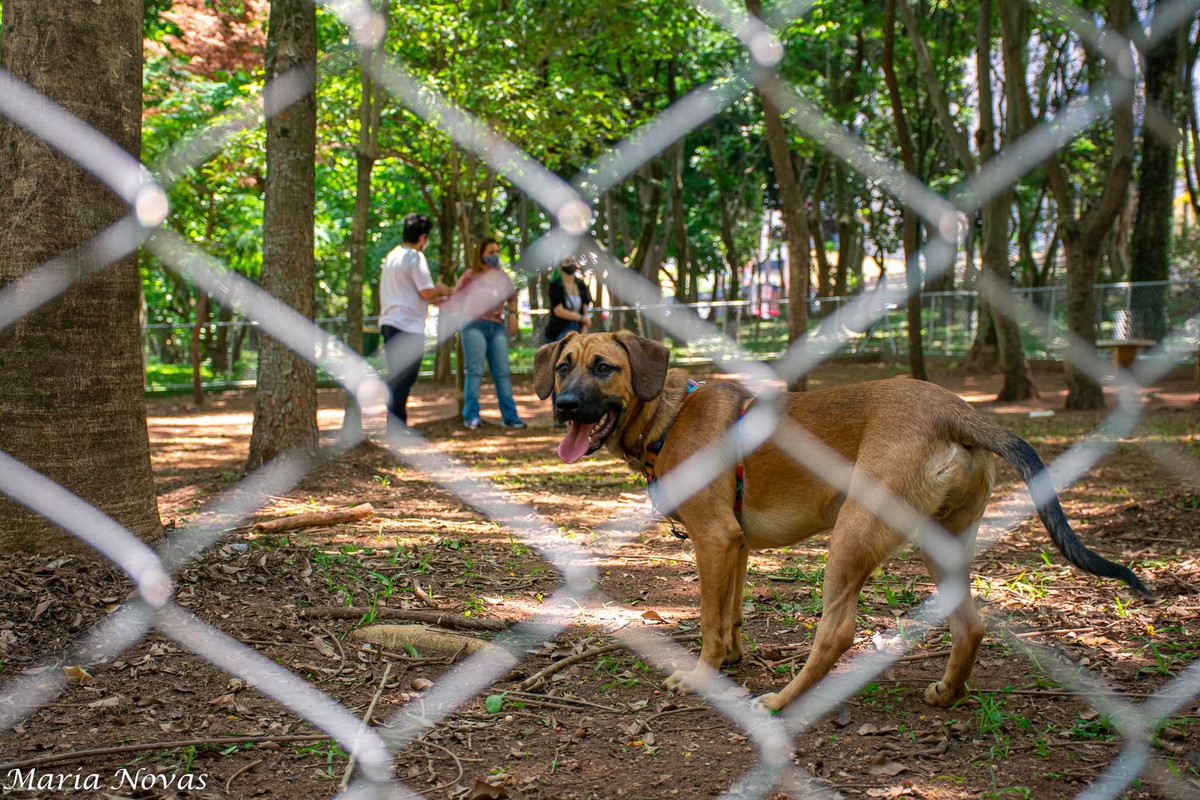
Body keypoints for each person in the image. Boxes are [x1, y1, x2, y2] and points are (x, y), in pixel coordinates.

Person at [379, 213, 450, 430]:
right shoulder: (415, 257)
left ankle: (395, 424)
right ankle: (397, 426)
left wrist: (437, 299)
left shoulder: (392, 256)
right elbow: (426, 291)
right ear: (422, 237)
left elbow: (413, 293)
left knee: (398, 375)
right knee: (404, 377)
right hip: (407, 326)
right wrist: (441, 289)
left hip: (390, 322)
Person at [450, 237, 526, 430]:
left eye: (497, 252)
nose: (495, 255)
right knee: (475, 371)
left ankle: (510, 418)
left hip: (496, 326)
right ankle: (471, 416)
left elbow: (512, 297)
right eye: (491, 252)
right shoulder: (470, 275)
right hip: (473, 326)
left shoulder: (502, 277)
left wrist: (513, 316)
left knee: (502, 373)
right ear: (481, 254)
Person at [543, 256, 593, 344]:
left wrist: (584, 331)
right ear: (560, 266)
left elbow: (585, 307)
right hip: (559, 331)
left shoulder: (581, 284)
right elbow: (559, 311)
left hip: (578, 330)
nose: (571, 264)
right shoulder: (555, 285)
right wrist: (582, 318)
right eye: (567, 262)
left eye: (573, 261)